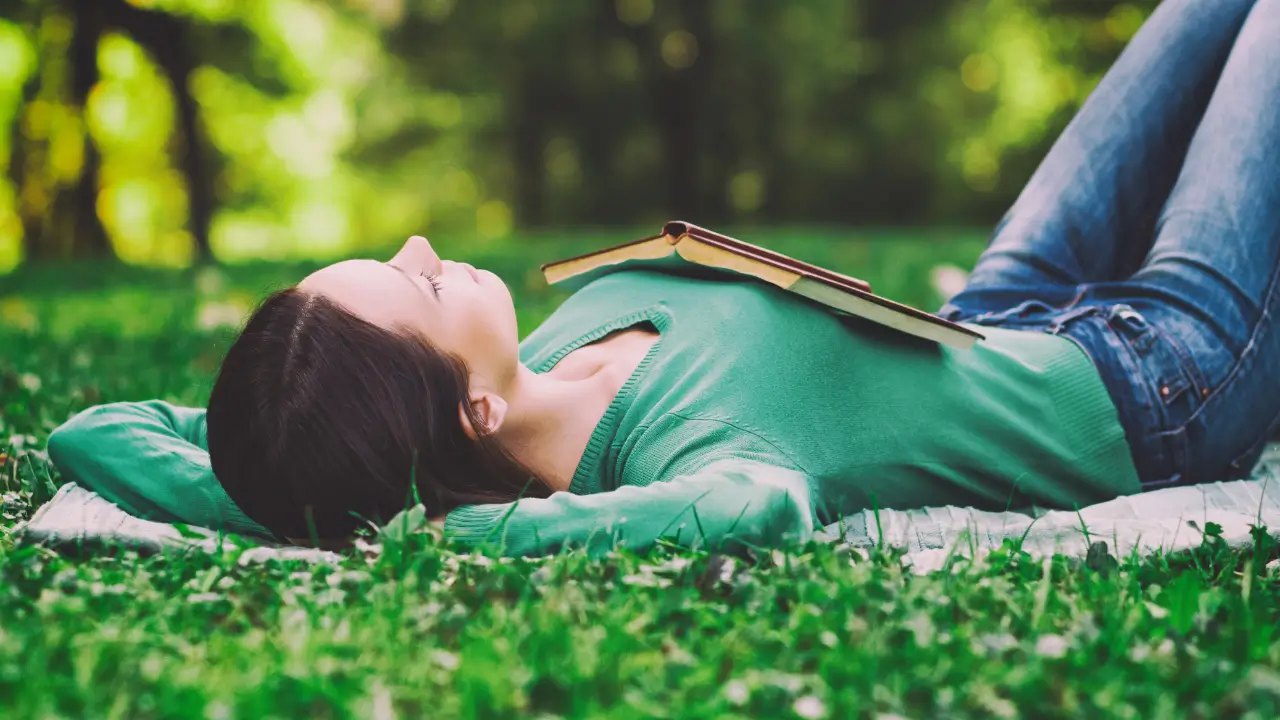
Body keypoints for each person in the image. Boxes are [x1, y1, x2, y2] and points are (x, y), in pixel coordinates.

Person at [47, 0, 1280, 557]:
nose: (420, 250)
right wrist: (459, 531)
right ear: (469, 412)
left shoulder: (554, 334)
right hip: (1156, 384)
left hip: (994, 314)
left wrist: (285, 496)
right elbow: (757, 513)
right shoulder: (685, 458)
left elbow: (94, 432)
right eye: (411, 286)